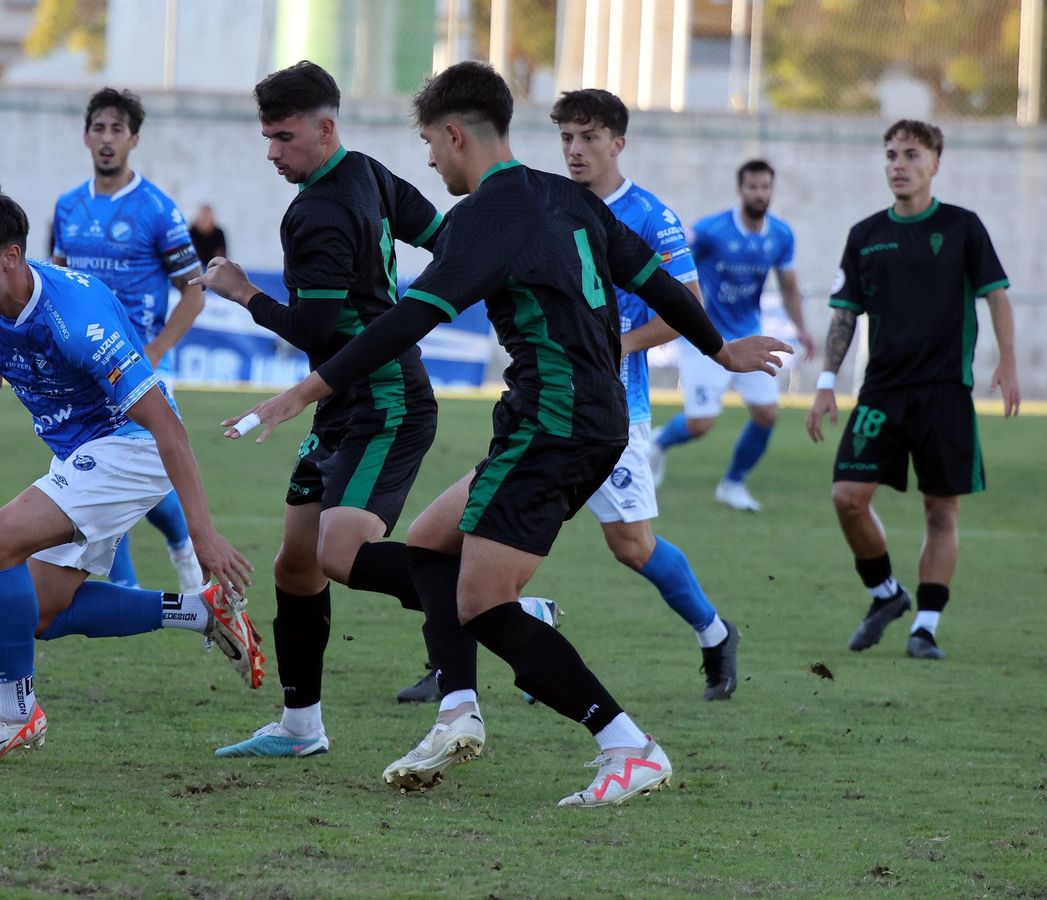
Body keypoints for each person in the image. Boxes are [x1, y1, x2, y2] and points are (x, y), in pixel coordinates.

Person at [222, 62, 788, 806]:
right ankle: (457, 711)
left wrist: (304, 390)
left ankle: (627, 744)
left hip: (553, 423)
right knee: (428, 545)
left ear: (456, 135)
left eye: (430, 142)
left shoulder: (486, 217)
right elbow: (654, 281)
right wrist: (719, 349)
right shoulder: (567, 197)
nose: (428, 159)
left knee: (481, 602)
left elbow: (407, 321)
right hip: (576, 418)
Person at [0, 187, 263, 762]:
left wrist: (202, 535)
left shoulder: (75, 319)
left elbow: (168, 429)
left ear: (10, 256)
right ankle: (201, 611)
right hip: (83, 452)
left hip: (131, 449)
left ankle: (14, 713)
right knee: (38, 613)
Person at [192, 61, 444, 757]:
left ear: (325, 127)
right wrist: (408, 305)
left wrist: (242, 291)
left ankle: (492, 603)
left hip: (385, 401)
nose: (272, 152)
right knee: (295, 567)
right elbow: (441, 235)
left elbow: (316, 329)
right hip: (341, 403)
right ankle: (301, 727)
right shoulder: (366, 170)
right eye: (267, 137)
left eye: (283, 137)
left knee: (338, 553)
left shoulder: (319, 211)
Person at [550, 88, 740, 701]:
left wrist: (617, 346)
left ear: (618, 143)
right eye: (566, 139)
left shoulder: (651, 218)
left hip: (613, 410)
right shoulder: (549, 205)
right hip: (543, 400)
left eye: (588, 138)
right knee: (485, 522)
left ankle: (714, 633)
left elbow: (689, 310)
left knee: (632, 545)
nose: (575, 151)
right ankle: (459, 661)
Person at [806, 119, 1019, 661]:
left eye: (911, 154)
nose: (898, 164)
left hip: (945, 392)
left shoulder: (963, 227)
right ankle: (886, 594)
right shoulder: (866, 235)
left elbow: (996, 297)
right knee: (847, 497)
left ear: (935, 164)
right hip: (881, 393)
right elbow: (843, 316)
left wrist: (1008, 362)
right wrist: (826, 383)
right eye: (891, 154)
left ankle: (925, 626)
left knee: (940, 512)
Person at [51, 88, 208, 594]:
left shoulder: (157, 209)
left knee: (144, 478)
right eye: (99, 127)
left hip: (134, 370)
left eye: (118, 129)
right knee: (96, 487)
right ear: (85, 136)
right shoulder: (67, 207)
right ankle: (135, 600)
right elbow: (55, 283)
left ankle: (179, 556)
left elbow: (195, 294)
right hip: (79, 374)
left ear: (134, 139)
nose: (107, 138)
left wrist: (156, 351)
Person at [649, 160, 815, 510]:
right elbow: (672, 259)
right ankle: (659, 441)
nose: (759, 193)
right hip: (704, 337)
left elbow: (788, 286)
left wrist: (802, 328)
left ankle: (732, 483)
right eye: (752, 187)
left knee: (768, 414)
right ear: (739, 190)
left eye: (765, 187)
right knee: (700, 424)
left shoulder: (781, 235)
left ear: (772, 191)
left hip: (749, 335)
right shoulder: (711, 230)